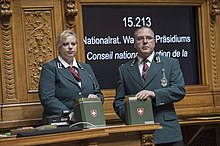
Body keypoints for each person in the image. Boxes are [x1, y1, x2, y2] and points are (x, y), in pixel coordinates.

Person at [113, 26, 186, 146]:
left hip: (167, 132)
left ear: (154, 41)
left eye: (149, 38)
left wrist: (155, 94)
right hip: (137, 133)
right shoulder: (124, 69)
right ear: (134, 44)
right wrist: (130, 117)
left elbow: (179, 90)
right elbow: (118, 102)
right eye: (140, 39)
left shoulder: (170, 63)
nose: (145, 41)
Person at [38, 30, 104, 124]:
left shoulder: (86, 68)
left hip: (89, 119)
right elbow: (47, 98)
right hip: (62, 122)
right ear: (59, 47)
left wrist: (96, 98)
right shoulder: (50, 68)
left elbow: (99, 94)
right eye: (65, 44)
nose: (70, 47)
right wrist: (70, 115)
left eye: (73, 44)